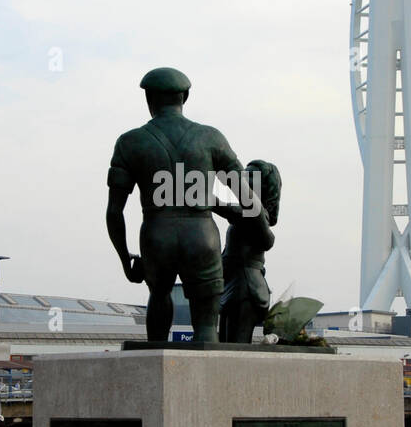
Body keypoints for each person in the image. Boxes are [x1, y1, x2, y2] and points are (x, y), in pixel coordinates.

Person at [106, 67, 255, 342]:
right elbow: (245, 195)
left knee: (158, 296)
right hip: (201, 235)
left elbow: (114, 211)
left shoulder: (129, 142)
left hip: (156, 235)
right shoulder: (211, 137)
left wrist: (125, 258)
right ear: (185, 96)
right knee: (207, 328)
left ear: (148, 98)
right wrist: (255, 224)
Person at [217, 160, 281, 343]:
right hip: (234, 283)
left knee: (236, 348)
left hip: (247, 287)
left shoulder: (256, 213)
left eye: (251, 175)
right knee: (225, 346)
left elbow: (222, 207)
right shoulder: (247, 212)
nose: (245, 176)